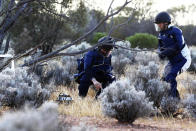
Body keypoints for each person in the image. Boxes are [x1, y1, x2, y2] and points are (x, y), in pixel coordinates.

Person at [154, 11, 191, 99]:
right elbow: (161, 48)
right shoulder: (161, 34)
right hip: (173, 61)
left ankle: (174, 101)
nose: (158, 25)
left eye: (159, 24)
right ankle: (174, 98)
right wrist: (160, 53)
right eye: (157, 24)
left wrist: (165, 52)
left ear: (166, 23)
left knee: (170, 77)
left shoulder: (176, 31)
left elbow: (178, 46)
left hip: (183, 60)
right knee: (164, 78)